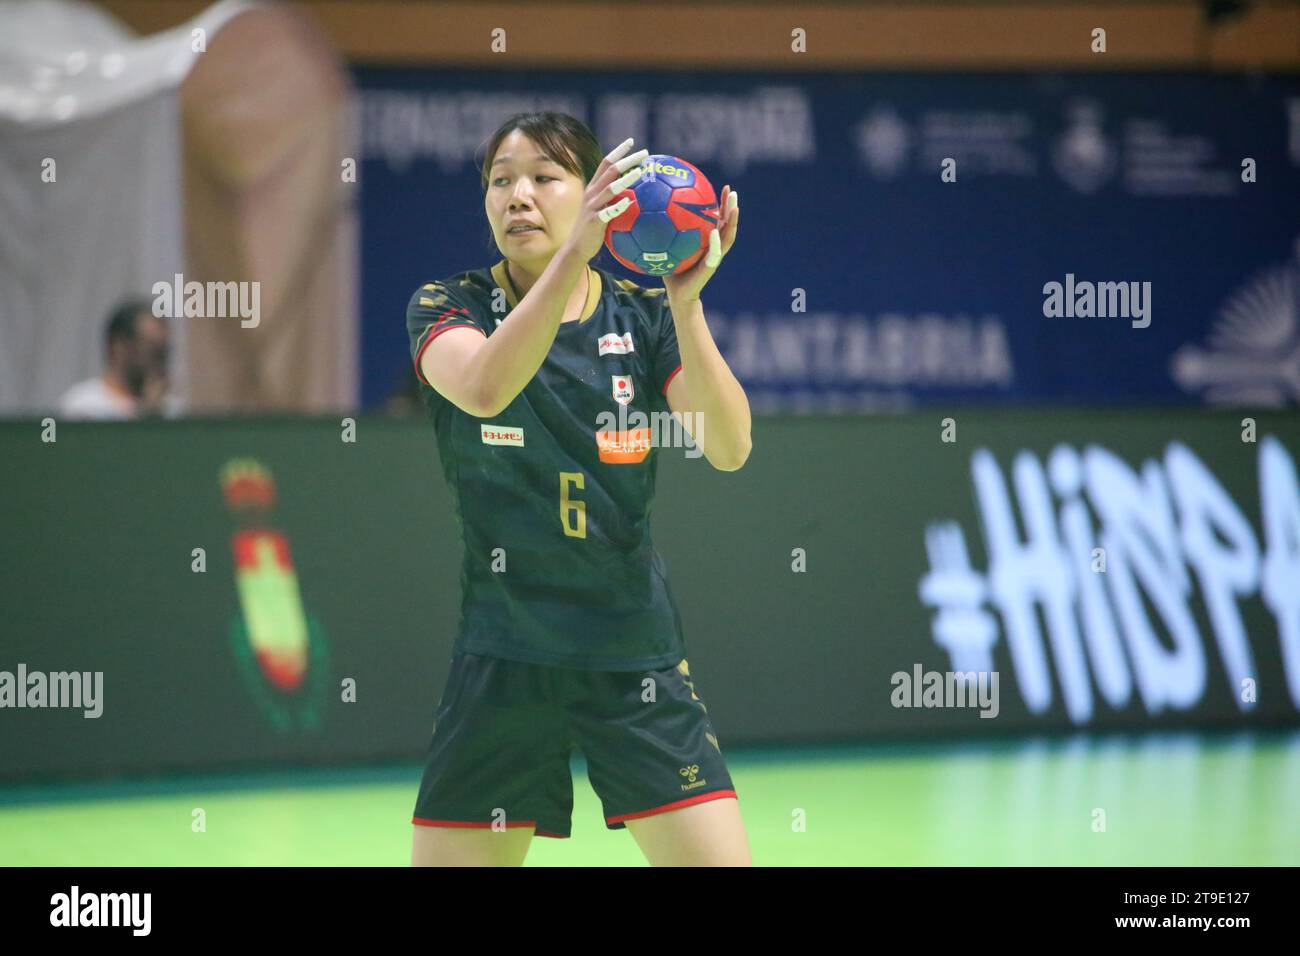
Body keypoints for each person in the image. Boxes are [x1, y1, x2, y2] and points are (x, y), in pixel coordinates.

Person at [407, 112, 751, 866]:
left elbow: (728, 448)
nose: (517, 196)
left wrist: (686, 303)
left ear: (602, 194)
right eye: (501, 181)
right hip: (505, 655)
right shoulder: (447, 305)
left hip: (634, 656)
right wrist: (574, 257)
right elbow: (486, 386)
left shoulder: (646, 315)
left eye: (543, 177)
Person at [59, 300, 176, 419]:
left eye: (164, 351)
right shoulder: (82, 406)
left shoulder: (170, 408)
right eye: (151, 349)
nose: (160, 362)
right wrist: (146, 415)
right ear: (119, 347)